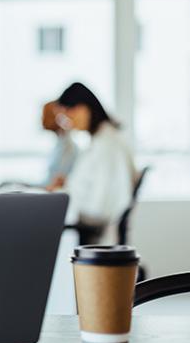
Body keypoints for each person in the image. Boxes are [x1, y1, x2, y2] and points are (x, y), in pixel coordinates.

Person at [50, 82, 136, 244]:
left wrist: (61, 194)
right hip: (91, 230)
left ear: (84, 108)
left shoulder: (108, 145)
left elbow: (99, 208)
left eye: (69, 114)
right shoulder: (100, 140)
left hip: (98, 238)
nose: (68, 122)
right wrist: (66, 186)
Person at [42, 100, 78, 191]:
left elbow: (55, 183)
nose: (41, 119)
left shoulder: (68, 148)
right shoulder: (59, 144)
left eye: (44, 115)